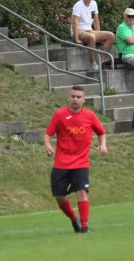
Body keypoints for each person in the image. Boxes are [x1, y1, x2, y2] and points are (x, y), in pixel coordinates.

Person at [44, 86, 107, 234]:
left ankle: (84, 227)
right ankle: (74, 219)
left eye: (78, 97)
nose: (75, 99)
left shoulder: (90, 116)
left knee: (81, 192)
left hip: (81, 163)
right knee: (59, 197)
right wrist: (48, 146)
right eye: (73, 96)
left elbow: (101, 133)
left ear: (84, 100)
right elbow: (48, 134)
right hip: (61, 163)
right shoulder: (59, 115)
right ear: (68, 98)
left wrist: (103, 145)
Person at [72, 0, 115, 71]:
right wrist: (76, 39)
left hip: (90, 30)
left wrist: (99, 35)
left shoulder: (94, 3)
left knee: (111, 35)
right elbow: (75, 22)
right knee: (92, 37)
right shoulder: (78, 5)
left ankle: (101, 62)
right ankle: (93, 63)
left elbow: (96, 20)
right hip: (80, 30)